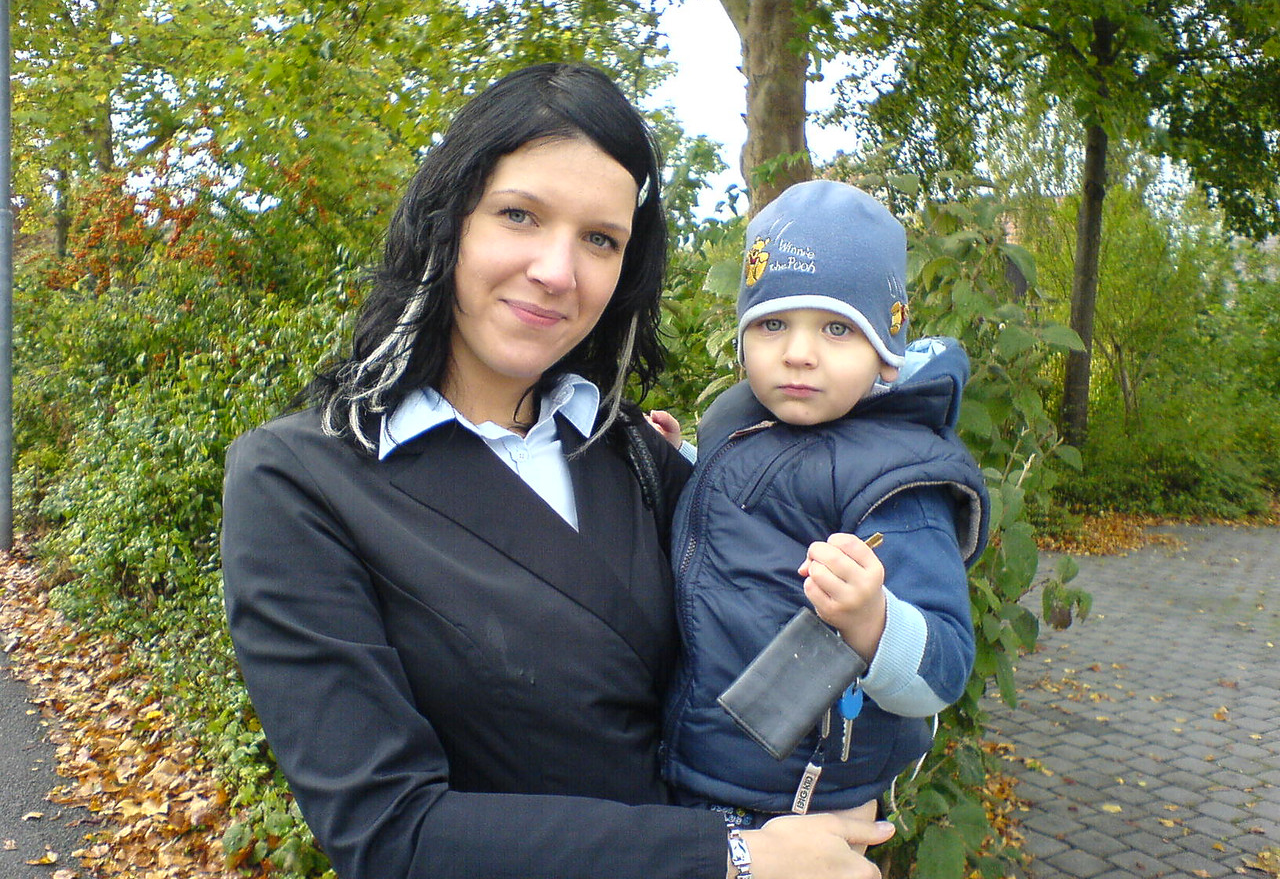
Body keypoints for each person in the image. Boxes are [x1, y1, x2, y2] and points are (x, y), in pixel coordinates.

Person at [220, 64, 893, 879]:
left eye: (600, 239)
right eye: (519, 215)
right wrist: (736, 859)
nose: (557, 271)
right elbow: (390, 832)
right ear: (448, 219)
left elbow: (785, 629)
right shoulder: (300, 482)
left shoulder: (634, 453)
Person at [660, 179, 990, 832]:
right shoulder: (744, 418)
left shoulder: (896, 480)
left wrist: (873, 622)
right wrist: (685, 460)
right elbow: (747, 506)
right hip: (698, 762)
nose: (798, 353)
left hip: (791, 805)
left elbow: (945, 669)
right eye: (773, 324)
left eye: (837, 328)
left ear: (886, 353)